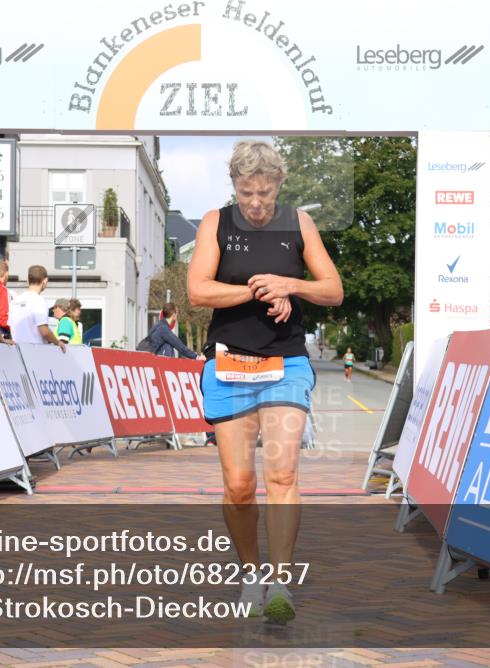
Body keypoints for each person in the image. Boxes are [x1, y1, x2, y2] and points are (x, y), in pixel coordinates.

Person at [186, 140, 343, 623]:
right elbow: (198, 290)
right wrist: (260, 289)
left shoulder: (299, 222)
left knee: (282, 473)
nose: (256, 203)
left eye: (265, 193)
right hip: (230, 365)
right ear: (234, 185)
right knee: (238, 484)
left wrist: (291, 285)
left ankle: (280, 582)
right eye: (247, 192)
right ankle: (251, 573)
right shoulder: (217, 221)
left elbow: (332, 290)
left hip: (285, 364)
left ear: (279, 184)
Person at [8, 265, 66, 352]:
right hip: (35, 353)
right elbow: (44, 331)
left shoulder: (14, 302)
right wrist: (57, 342)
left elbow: (11, 327)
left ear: (28, 280)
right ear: (45, 281)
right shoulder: (39, 301)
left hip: (17, 351)